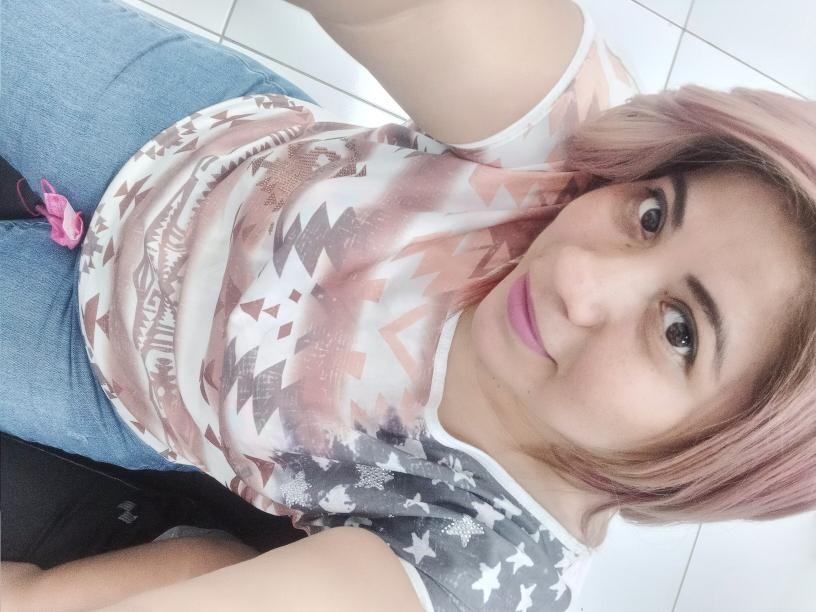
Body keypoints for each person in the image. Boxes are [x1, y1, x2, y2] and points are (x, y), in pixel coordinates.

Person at [2, 0, 815, 610]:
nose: (579, 277)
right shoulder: (576, 148)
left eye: (679, 331)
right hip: (176, 126)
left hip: (101, 369)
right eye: (654, 215)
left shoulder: (487, 560)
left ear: (721, 456)